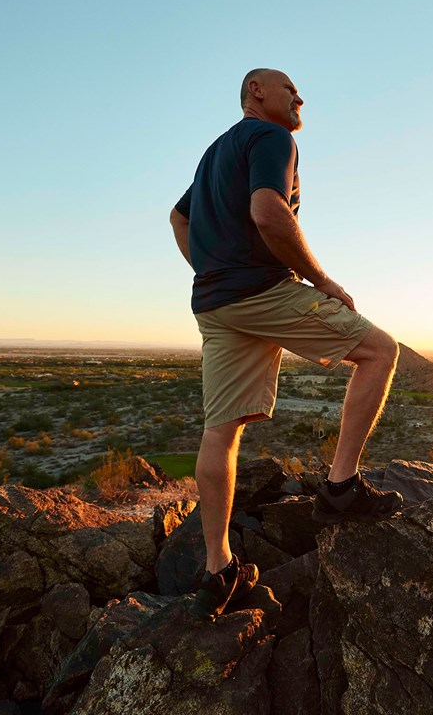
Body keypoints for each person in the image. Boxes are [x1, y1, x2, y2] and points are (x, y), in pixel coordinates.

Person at [170, 68, 403, 621]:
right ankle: (341, 487)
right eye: (290, 89)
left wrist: (212, 268)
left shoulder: (214, 152)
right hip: (260, 289)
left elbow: (179, 218)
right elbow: (268, 212)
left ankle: (217, 568)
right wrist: (321, 281)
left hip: (215, 303)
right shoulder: (273, 137)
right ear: (257, 93)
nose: (301, 98)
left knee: (219, 430)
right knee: (380, 350)